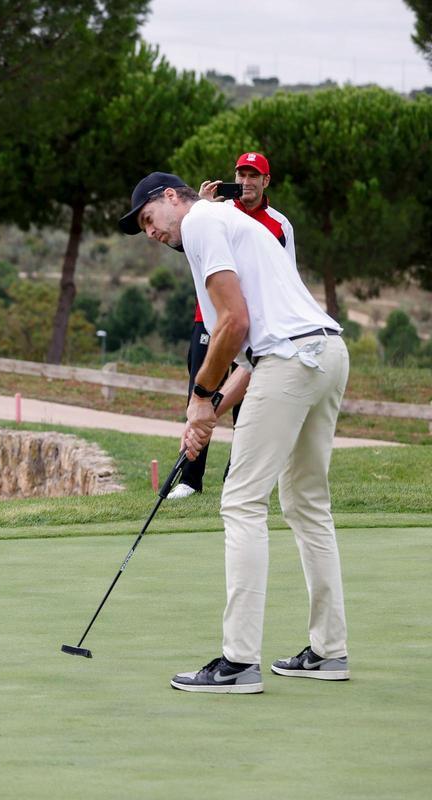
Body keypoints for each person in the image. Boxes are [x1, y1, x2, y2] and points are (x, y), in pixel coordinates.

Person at [119, 171, 350, 694]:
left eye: (149, 219)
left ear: (171, 198)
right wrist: (214, 408)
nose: (151, 233)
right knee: (307, 503)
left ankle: (239, 662)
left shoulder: (201, 223)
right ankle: (329, 651)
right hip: (326, 353)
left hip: (291, 359)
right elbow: (255, 349)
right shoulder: (228, 221)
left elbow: (235, 324)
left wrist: (199, 398)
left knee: (241, 502)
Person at [168, 152, 295, 500]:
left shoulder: (280, 225)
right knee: (200, 390)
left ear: (266, 181)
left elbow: (286, 275)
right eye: (241, 174)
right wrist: (201, 208)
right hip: (209, 319)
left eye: (254, 176)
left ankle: (235, 475)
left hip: (254, 327)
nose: (245, 182)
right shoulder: (217, 213)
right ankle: (190, 479)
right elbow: (184, 244)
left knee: (249, 399)